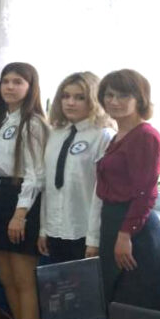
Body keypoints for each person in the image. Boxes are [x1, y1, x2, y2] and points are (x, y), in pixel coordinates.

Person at [0, 63, 48, 319]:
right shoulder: (2, 119)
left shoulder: (33, 123)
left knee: (24, 281)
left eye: (17, 82)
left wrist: (20, 214)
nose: (9, 87)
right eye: (5, 81)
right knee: (6, 278)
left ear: (30, 87)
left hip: (22, 201)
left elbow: (36, 174)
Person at [95, 69, 160, 312]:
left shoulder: (145, 136)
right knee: (112, 299)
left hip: (134, 228)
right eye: (109, 95)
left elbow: (146, 192)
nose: (114, 101)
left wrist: (125, 234)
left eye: (123, 96)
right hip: (114, 221)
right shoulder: (119, 135)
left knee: (132, 303)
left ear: (139, 99)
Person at [39, 72, 113, 264]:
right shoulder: (55, 134)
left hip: (84, 232)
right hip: (55, 229)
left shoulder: (103, 136)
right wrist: (43, 229)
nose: (70, 103)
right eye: (66, 96)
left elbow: (101, 191)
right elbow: (48, 185)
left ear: (94, 101)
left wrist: (94, 239)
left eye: (80, 98)